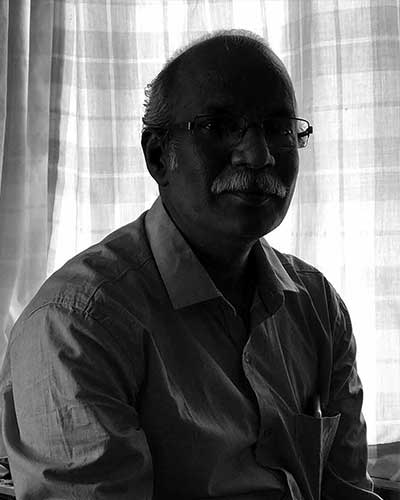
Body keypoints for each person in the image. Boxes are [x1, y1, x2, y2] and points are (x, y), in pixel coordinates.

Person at [0, 30, 382, 500]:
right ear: (158, 156)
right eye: (219, 127)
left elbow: (349, 490)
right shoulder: (76, 325)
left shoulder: (318, 306)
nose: (259, 155)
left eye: (280, 129)